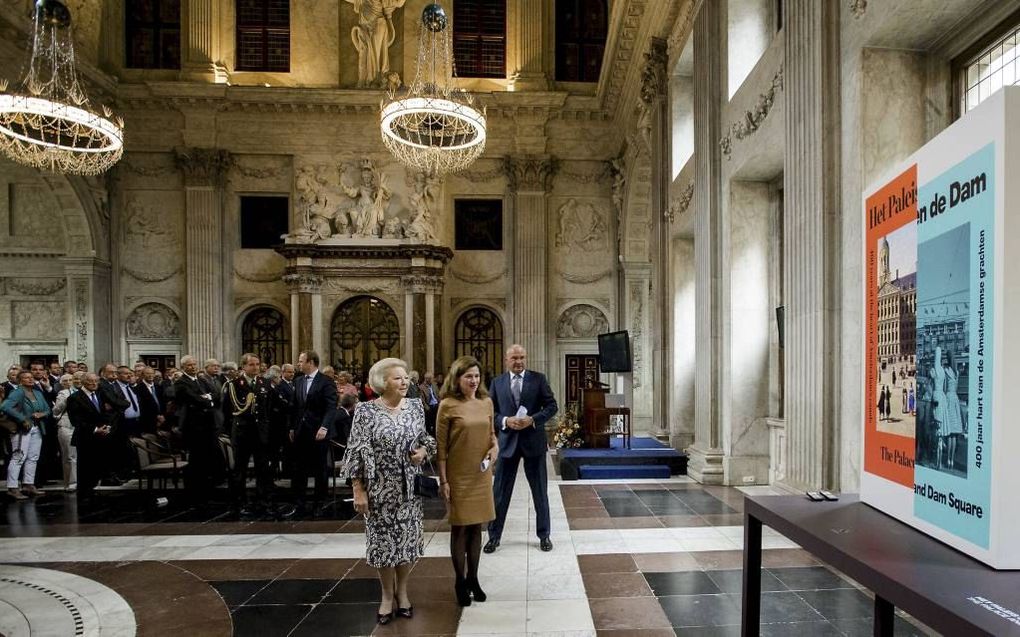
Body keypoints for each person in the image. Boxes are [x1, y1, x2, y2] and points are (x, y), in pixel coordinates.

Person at [340, 357, 436, 624]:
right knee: (383, 544)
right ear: (383, 383)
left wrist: (423, 451)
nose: (404, 382)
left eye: (406, 377)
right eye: (398, 378)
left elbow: (427, 439)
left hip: (409, 488)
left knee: (406, 543)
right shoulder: (365, 411)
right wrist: (358, 489)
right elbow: (355, 451)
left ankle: (402, 592)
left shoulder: (416, 407)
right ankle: (386, 594)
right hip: (378, 489)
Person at [436, 356, 498, 606]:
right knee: (460, 527)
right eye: (468, 376)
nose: (473, 381)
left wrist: (495, 449)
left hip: (481, 474)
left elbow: (492, 435)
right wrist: (444, 481)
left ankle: (473, 578)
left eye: (476, 376)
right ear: (457, 378)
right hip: (458, 474)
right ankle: (459, 581)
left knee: (477, 527)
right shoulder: (448, 404)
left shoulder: (486, 402)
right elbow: (441, 447)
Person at [485, 344, 558, 553]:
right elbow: (492, 412)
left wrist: (533, 419)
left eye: (522, 357)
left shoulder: (538, 379)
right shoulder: (497, 383)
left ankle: (544, 535)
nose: (519, 362)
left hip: (533, 443)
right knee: (499, 493)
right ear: (507, 360)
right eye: (515, 358)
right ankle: (494, 537)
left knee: (540, 493)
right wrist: (506, 421)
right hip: (507, 444)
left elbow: (552, 406)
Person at [284, 350, 338, 518]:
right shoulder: (298, 381)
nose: (298, 364)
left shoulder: (326, 381)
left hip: (318, 432)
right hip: (301, 432)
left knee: (320, 469)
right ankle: (298, 504)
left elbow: (331, 407)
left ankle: (319, 503)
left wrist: (324, 427)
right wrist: (292, 427)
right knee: (299, 469)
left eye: (301, 361)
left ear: (311, 362)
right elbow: (295, 407)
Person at [225, 353, 276, 517]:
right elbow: (227, 411)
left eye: (257, 364)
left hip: (260, 433)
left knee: (263, 469)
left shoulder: (265, 383)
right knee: (240, 470)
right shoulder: (233, 385)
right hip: (242, 432)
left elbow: (269, 408)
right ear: (243, 367)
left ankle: (263, 502)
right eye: (252, 364)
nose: (255, 367)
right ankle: (239, 503)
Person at [175, 355, 223, 504]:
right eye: (189, 365)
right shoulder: (181, 382)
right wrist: (207, 399)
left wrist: (206, 398)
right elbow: (194, 399)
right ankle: (195, 492)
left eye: (194, 364)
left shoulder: (202, 380)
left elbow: (216, 394)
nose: (193, 367)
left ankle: (208, 489)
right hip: (194, 427)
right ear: (183, 367)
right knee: (197, 459)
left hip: (208, 425)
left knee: (208, 458)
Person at [66, 373, 116, 504]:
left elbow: (106, 413)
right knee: (85, 467)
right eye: (90, 381)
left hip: (101, 435)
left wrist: (107, 426)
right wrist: (94, 429)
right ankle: (84, 493)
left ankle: (92, 489)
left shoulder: (99, 395)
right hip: (85, 437)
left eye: (96, 381)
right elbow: (75, 420)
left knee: (97, 465)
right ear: (83, 382)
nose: (94, 384)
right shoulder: (74, 398)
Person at [2, 370, 51, 499]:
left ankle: (28, 484)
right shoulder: (17, 392)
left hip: (37, 427)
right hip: (21, 429)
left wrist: (42, 414)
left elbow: (48, 409)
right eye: (26, 378)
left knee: (33, 457)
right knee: (19, 457)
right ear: (20, 380)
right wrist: (22, 418)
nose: (30, 379)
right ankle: (12, 487)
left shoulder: (37, 392)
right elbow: (5, 407)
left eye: (31, 377)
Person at [50, 373, 79, 492]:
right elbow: (56, 411)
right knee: (70, 456)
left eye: (70, 379)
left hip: (82, 427)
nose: (68, 382)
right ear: (61, 383)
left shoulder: (84, 392)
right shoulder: (63, 393)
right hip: (67, 426)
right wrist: (66, 400)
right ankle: (71, 483)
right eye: (65, 380)